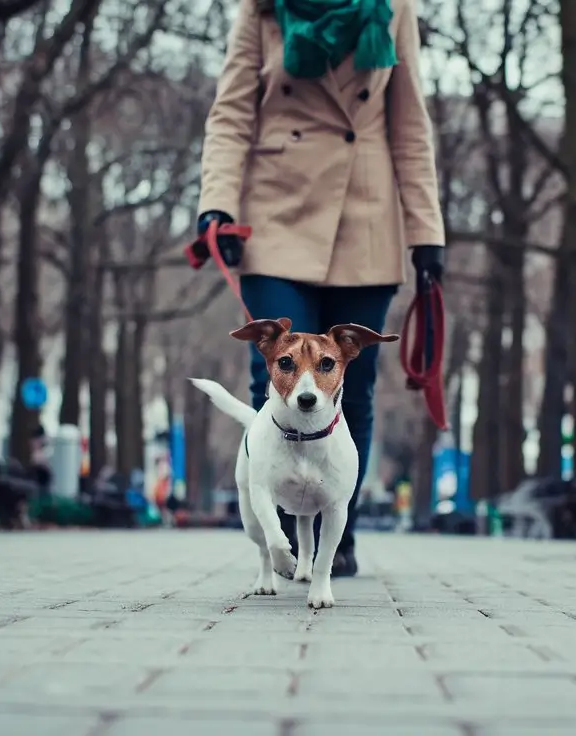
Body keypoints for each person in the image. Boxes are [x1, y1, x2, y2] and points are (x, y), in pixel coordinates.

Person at [197, 0, 446, 577]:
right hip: (277, 213)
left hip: (366, 217)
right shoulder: (262, 11)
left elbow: (410, 124)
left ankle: (340, 527)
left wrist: (426, 230)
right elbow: (231, 113)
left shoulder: (391, 9)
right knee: (277, 376)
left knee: (349, 393)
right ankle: (281, 536)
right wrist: (217, 204)